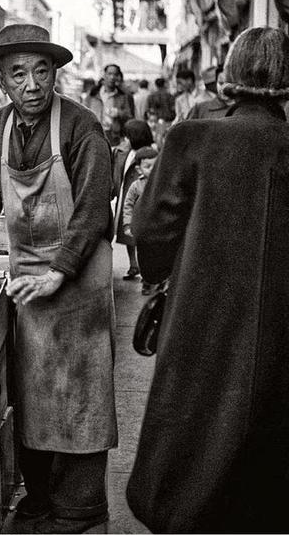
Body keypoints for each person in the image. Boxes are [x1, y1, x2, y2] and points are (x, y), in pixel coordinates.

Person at [0, 23, 117, 534]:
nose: (32, 84)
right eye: (18, 73)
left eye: (41, 71)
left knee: (83, 392)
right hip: (27, 278)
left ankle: (83, 507)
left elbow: (91, 211)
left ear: (55, 74)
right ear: (1, 80)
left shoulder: (81, 126)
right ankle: (42, 500)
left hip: (80, 277)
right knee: (35, 392)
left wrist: (60, 271)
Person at [126, 27, 289, 533]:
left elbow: (149, 230)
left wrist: (160, 279)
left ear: (230, 76)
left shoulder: (194, 139)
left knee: (191, 443)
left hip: (202, 316)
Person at [112, 120, 154, 281]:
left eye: (127, 136)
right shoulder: (125, 152)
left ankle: (144, 267)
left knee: (142, 237)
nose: (125, 140)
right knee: (127, 233)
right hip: (126, 196)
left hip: (142, 199)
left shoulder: (150, 153)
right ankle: (133, 265)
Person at [121, 146, 158, 294]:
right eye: (148, 166)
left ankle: (158, 279)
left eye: (156, 165)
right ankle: (147, 281)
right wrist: (127, 224)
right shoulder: (136, 186)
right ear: (139, 169)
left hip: (159, 228)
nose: (152, 169)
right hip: (143, 229)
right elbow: (128, 206)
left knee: (159, 255)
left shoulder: (164, 184)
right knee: (144, 255)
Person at [84, 64, 135, 147]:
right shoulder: (93, 94)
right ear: (104, 75)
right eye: (109, 74)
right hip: (94, 135)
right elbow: (83, 114)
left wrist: (119, 113)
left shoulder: (122, 96)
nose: (112, 77)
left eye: (115, 74)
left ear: (118, 77)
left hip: (114, 138)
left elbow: (129, 116)